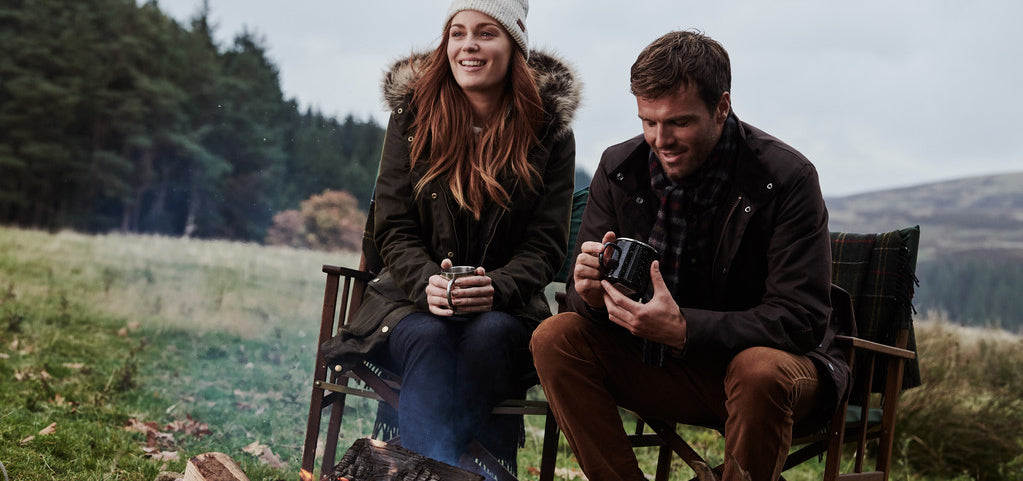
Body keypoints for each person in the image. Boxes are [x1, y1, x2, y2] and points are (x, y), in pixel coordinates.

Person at [530, 30, 851, 481]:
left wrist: (684, 328)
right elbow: (585, 303)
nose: (660, 139)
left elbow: (800, 319)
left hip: (774, 374)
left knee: (757, 370)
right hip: (662, 363)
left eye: (679, 122)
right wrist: (590, 294)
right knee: (555, 337)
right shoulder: (619, 168)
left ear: (721, 107)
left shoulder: (786, 178)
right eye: (648, 121)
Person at [324, 0, 580, 472]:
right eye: (457, 32)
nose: (468, 46)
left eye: (486, 33)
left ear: (514, 45)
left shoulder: (549, 132)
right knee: (429, 338)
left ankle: (416, 467)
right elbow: (394, 225)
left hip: (507, 308)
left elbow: (546, 244)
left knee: (487, 337)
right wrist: (426, 282)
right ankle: (450, 469)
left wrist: (496, 287)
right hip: (406, 299)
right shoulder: (412, 116)